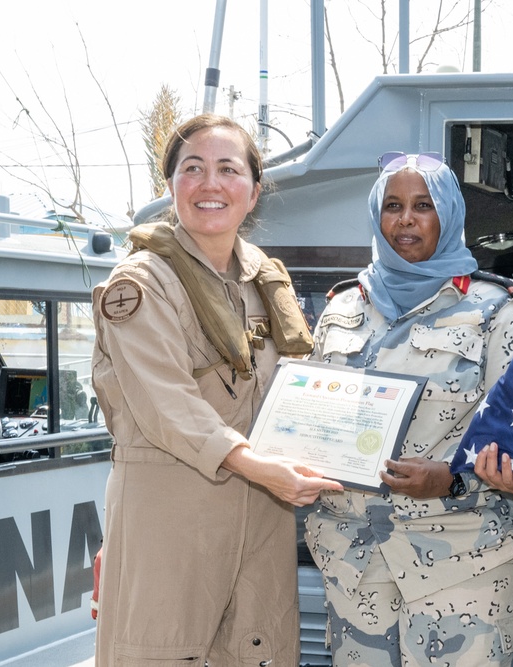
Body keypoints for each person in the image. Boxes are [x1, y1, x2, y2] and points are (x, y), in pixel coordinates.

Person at [91, 114, 342, 666]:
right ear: (172, 185)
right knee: (161, 653)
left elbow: (302, 387)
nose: (211, 184)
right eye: (193, 169)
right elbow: (167, 405)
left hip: (261, 516)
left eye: (228, 169)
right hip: (172, 515)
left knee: (259, 653)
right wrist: (259, 466)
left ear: (253, 192)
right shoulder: (140, 283)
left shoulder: (262, 281)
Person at [306, 152, 513, 666]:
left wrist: (454, 477)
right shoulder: (342, 309)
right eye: (392, 205)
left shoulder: (496, 310)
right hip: (355, 564)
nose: (405, 219)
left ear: (449, 215)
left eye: (422, 206)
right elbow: (312, 417)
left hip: (465, 564)